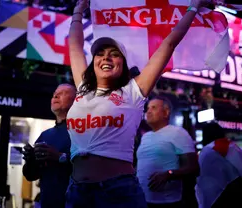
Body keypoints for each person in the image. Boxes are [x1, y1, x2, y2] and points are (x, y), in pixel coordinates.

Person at [66, 0, 209, 207]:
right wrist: (79, 10)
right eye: (101, 53)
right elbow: (74, 46)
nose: (106, 58)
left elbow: (168, 43)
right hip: (77, 192)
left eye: (114, 55)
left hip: (118, 191)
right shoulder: (83, 89)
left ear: (123, 65)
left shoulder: (133, 91)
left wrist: (193, 7)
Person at [136, 97, 198, 208]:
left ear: (166, 112)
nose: (148, 111)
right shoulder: (145, 137)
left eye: (153, 108)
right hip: (142, 201)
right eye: (148, 108)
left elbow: (193, 167)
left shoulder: (178, 133)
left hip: (168, 203)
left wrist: (168, 174)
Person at [23, 84, 76, 208]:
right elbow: (31, 175)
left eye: (63, 93)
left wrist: (60, 157)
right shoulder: (45, 135)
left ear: (76, 100)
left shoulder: (82, 131)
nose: (55, 95)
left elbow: (93, 167)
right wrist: (31, 160)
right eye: (54, 93)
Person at [196, 122, 242, 208]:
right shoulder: (227, 145)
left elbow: (200, 175)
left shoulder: (204, 152)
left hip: (212, 195)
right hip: (233, 192)